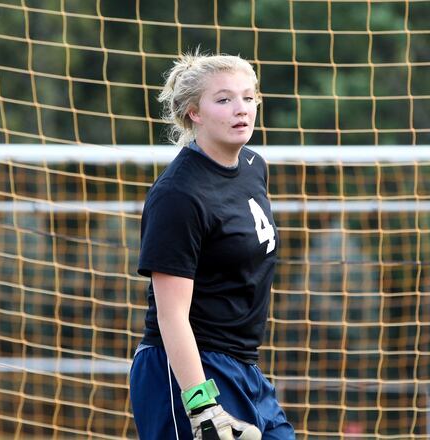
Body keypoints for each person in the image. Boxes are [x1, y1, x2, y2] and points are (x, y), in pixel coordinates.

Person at [129, 51, 295, 440]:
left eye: (248, 97)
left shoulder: (253, 167)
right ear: (194, 113)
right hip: (187, 373)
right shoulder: (178, 194)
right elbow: (171, 316)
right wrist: (202, 405)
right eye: (224, 99)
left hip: (244, 368)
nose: (241, 109)